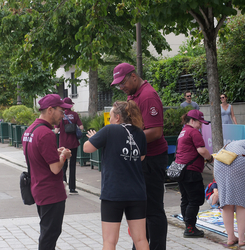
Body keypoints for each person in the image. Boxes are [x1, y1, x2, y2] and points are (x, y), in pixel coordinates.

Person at [111, 63, 168, 249]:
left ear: (133, 76)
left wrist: (126, 137)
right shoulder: (133, 95)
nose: (121, 87)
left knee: (153, 210)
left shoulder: (147, 96)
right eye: (119, 85)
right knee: (141, 209)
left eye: (123, 83)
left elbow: (156, 131)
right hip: (140, 158)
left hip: (152, 159)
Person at [83, 101, 149, 250]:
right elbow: (141, 158)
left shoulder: (109, 130)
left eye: (111, 116)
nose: (110, 119)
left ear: (118, 117)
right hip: (137, 193)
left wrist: (95, 138)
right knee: (140, 239)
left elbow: (87, 148)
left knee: (110, 241)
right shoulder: (140, 134)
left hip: (113, 193)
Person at [22, 94, 72, 250]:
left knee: (47, 232)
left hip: (38, 188)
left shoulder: (30, 130)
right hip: (51, 192)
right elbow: (56, 168)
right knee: (50, 235)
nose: (63, 115)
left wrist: (54, 152)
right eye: (61, 111)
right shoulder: (46, 133)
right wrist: (64, 155)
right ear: (50, 110)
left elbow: (36, 155)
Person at [214, 139, 245, 246]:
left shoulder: (231, 144)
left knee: (226, 202)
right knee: (240, 202)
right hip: (238, 161)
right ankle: (241, 238)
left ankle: (230, 237)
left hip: (219, 162)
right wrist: (241, 167)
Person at [175, 109, 213, 237]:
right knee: (195, 199)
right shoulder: (193, 132)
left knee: (185, 199)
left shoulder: (183, 131)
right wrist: (211, 158)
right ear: (192, 120)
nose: (201, 125)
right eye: (199, 123)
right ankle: (190, 228)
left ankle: (188, 225)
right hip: (191, 171)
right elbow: (202, 150)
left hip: (181, 170)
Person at [54, 97, 84, 195]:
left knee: (63, 164)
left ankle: (62, 185)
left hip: (63, 144)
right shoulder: (75, 115)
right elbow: (81, 127)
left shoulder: (61, 115)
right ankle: (72, 187)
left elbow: (56, 130)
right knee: (73, 165)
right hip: (73, 143)